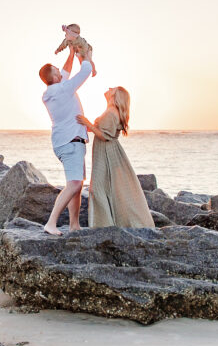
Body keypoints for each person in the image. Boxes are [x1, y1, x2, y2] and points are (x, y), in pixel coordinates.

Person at [76, 87, 155, 228]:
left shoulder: (111, 113)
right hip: (109, 151)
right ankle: (109, 222)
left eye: (112, 88)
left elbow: (105, 136)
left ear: (116, 95)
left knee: (98, 188)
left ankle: (103, 225)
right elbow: (103, 131)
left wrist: (87, 123)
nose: (109, 88)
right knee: (110, 188)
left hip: (106, 152)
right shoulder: (111, 111)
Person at [39, 45, 94, 235]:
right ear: (54, 78)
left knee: (76, 186)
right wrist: (85, 55)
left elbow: (65, 71)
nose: (61, 73)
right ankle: (51, 223)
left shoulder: (54, 91)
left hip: (71, 142)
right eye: (57, 72)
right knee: (75, 185)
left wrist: (70, 54)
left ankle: (74, 225)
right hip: (70, 143)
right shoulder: (62, 89)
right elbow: (85, 71)